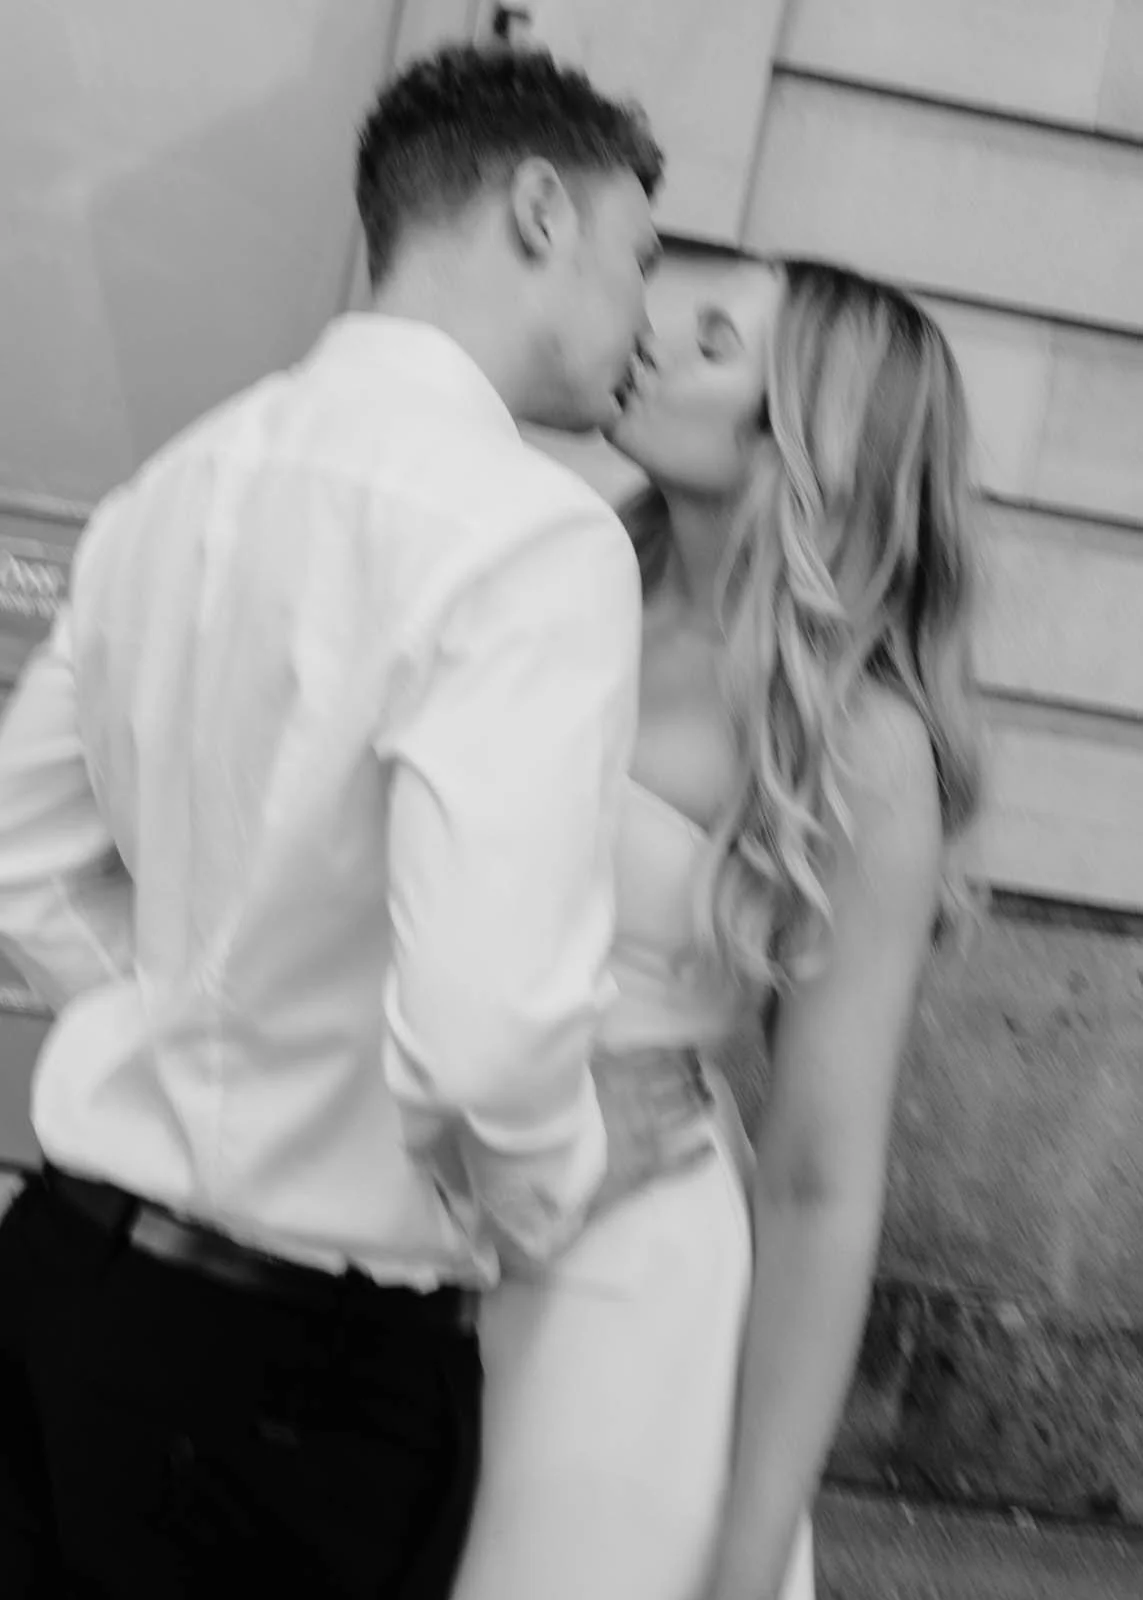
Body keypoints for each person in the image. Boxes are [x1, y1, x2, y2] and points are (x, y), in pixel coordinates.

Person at [0, 43, 693, 1600]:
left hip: (55, 1291)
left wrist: (201, 1036)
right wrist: (565, 1182)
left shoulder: (174, 484)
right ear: (537, 210)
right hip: (300, 1375)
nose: (643, 320)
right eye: (639, 260)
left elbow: (14, 855)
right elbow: (485, 1040)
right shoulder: (532, 540)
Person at [450, 256, 983, 1600]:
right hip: (405, 1214)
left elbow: (818, 1178)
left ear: (802, 430)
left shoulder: (856, 746)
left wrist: (750, 1545)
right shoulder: (555, 587)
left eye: (710, 341)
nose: (647, 338)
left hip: (616, 1282)